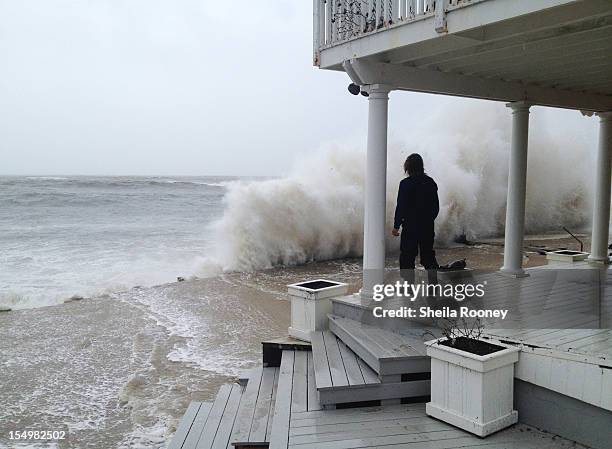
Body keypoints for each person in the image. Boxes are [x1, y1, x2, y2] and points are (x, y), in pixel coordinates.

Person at [392, 153, 439, 272]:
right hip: (427, 226)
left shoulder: (405, 184)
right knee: (428, 257)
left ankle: (408, 289)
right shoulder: (430, 182)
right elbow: (435, 207)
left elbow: (401, 207)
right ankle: (434, 287)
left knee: (407, 259)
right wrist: (428, 220)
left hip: (410, 227)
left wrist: (396, 226)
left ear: (408, 168)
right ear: (421, 166)